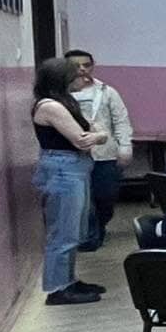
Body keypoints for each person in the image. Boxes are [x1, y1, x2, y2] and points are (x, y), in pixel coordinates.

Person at [31, 58, 107, 304]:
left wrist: (98, 134)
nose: (82, 78)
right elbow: (82, 139)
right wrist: (100, 135)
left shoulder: (66, 102)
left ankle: (68, 279)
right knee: (64, 231)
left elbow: (93, 132)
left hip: (74, 168)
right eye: (76, 75)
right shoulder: (51, 106)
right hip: (63, 169)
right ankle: (58, 288)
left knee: (74, 230)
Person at [64, 50, 132, 253]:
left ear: (93, 66)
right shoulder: (61, 95)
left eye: (86, 65)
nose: (82, 69)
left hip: (105, 154)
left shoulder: (106, 92)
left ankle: (99, 226)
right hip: (74, 155)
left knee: (105, 196)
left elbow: (121, 121)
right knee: (83, 200)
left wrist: (125, 147)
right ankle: (90, 236)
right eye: (76, 66)